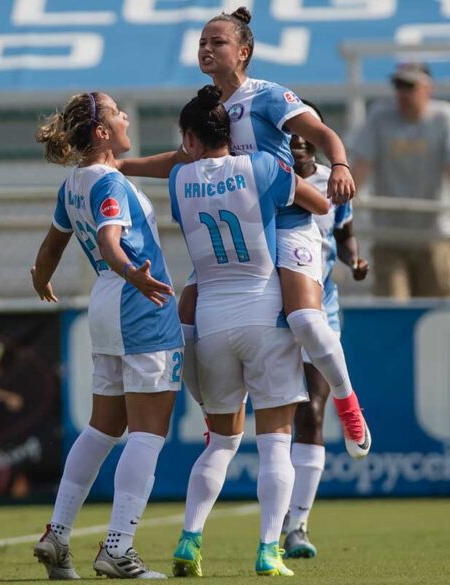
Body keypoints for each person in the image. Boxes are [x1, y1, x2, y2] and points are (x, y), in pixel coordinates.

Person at [120, 6, 371, 461]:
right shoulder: (210, 108)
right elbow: (180, 159)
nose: (207, 49)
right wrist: (119, 166)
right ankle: (214, 417)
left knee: (304, 320)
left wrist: (340, 163)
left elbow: (321, 131)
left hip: (289, 223)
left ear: (244, 50)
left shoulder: (268, 96)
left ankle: (348, 403)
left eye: (217, 42)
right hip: (243, 236)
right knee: (187, 316)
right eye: (202, 42)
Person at [169, 85, 330, 578]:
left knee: (219, 443)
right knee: (276, 442)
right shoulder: (263, 167)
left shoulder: (178, 179)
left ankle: (190, 540)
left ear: (190, 139)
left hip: (212, 321)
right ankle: (268, 550)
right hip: (264, 315)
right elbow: (319, 207)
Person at [30, 91, 184, 580]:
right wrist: (132, 273)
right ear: (101, 132)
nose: (123, 118)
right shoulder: (109, 182)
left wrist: (40, 276)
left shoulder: (74, 182)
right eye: (116, 112)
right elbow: (110, 239)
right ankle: (118, 548)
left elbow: (53, 243)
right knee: (148, 432)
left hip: (106, 304)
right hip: (138, 303)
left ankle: (57, 535)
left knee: (103, 428)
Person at [282, 101, 369, 559]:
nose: (296, 145)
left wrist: (354, 259)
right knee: (277, 417)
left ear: (314, 140)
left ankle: (297, 525)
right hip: (273, 312)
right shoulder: (270, 176)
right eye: (289, 138)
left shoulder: (332, 184)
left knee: (312, 411)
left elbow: (344, 233)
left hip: (323, 307)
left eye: (302, 139)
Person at [351, 62, 450, 299]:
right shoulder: (380, 117)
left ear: (428, 88)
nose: (403, 93)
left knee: (436, 312)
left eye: (410, 86)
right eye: (399, 86)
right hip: (389, 235)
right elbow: (361, 168)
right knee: (393, 307)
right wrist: (341, 207)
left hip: (434, 234)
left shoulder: (443, 118)